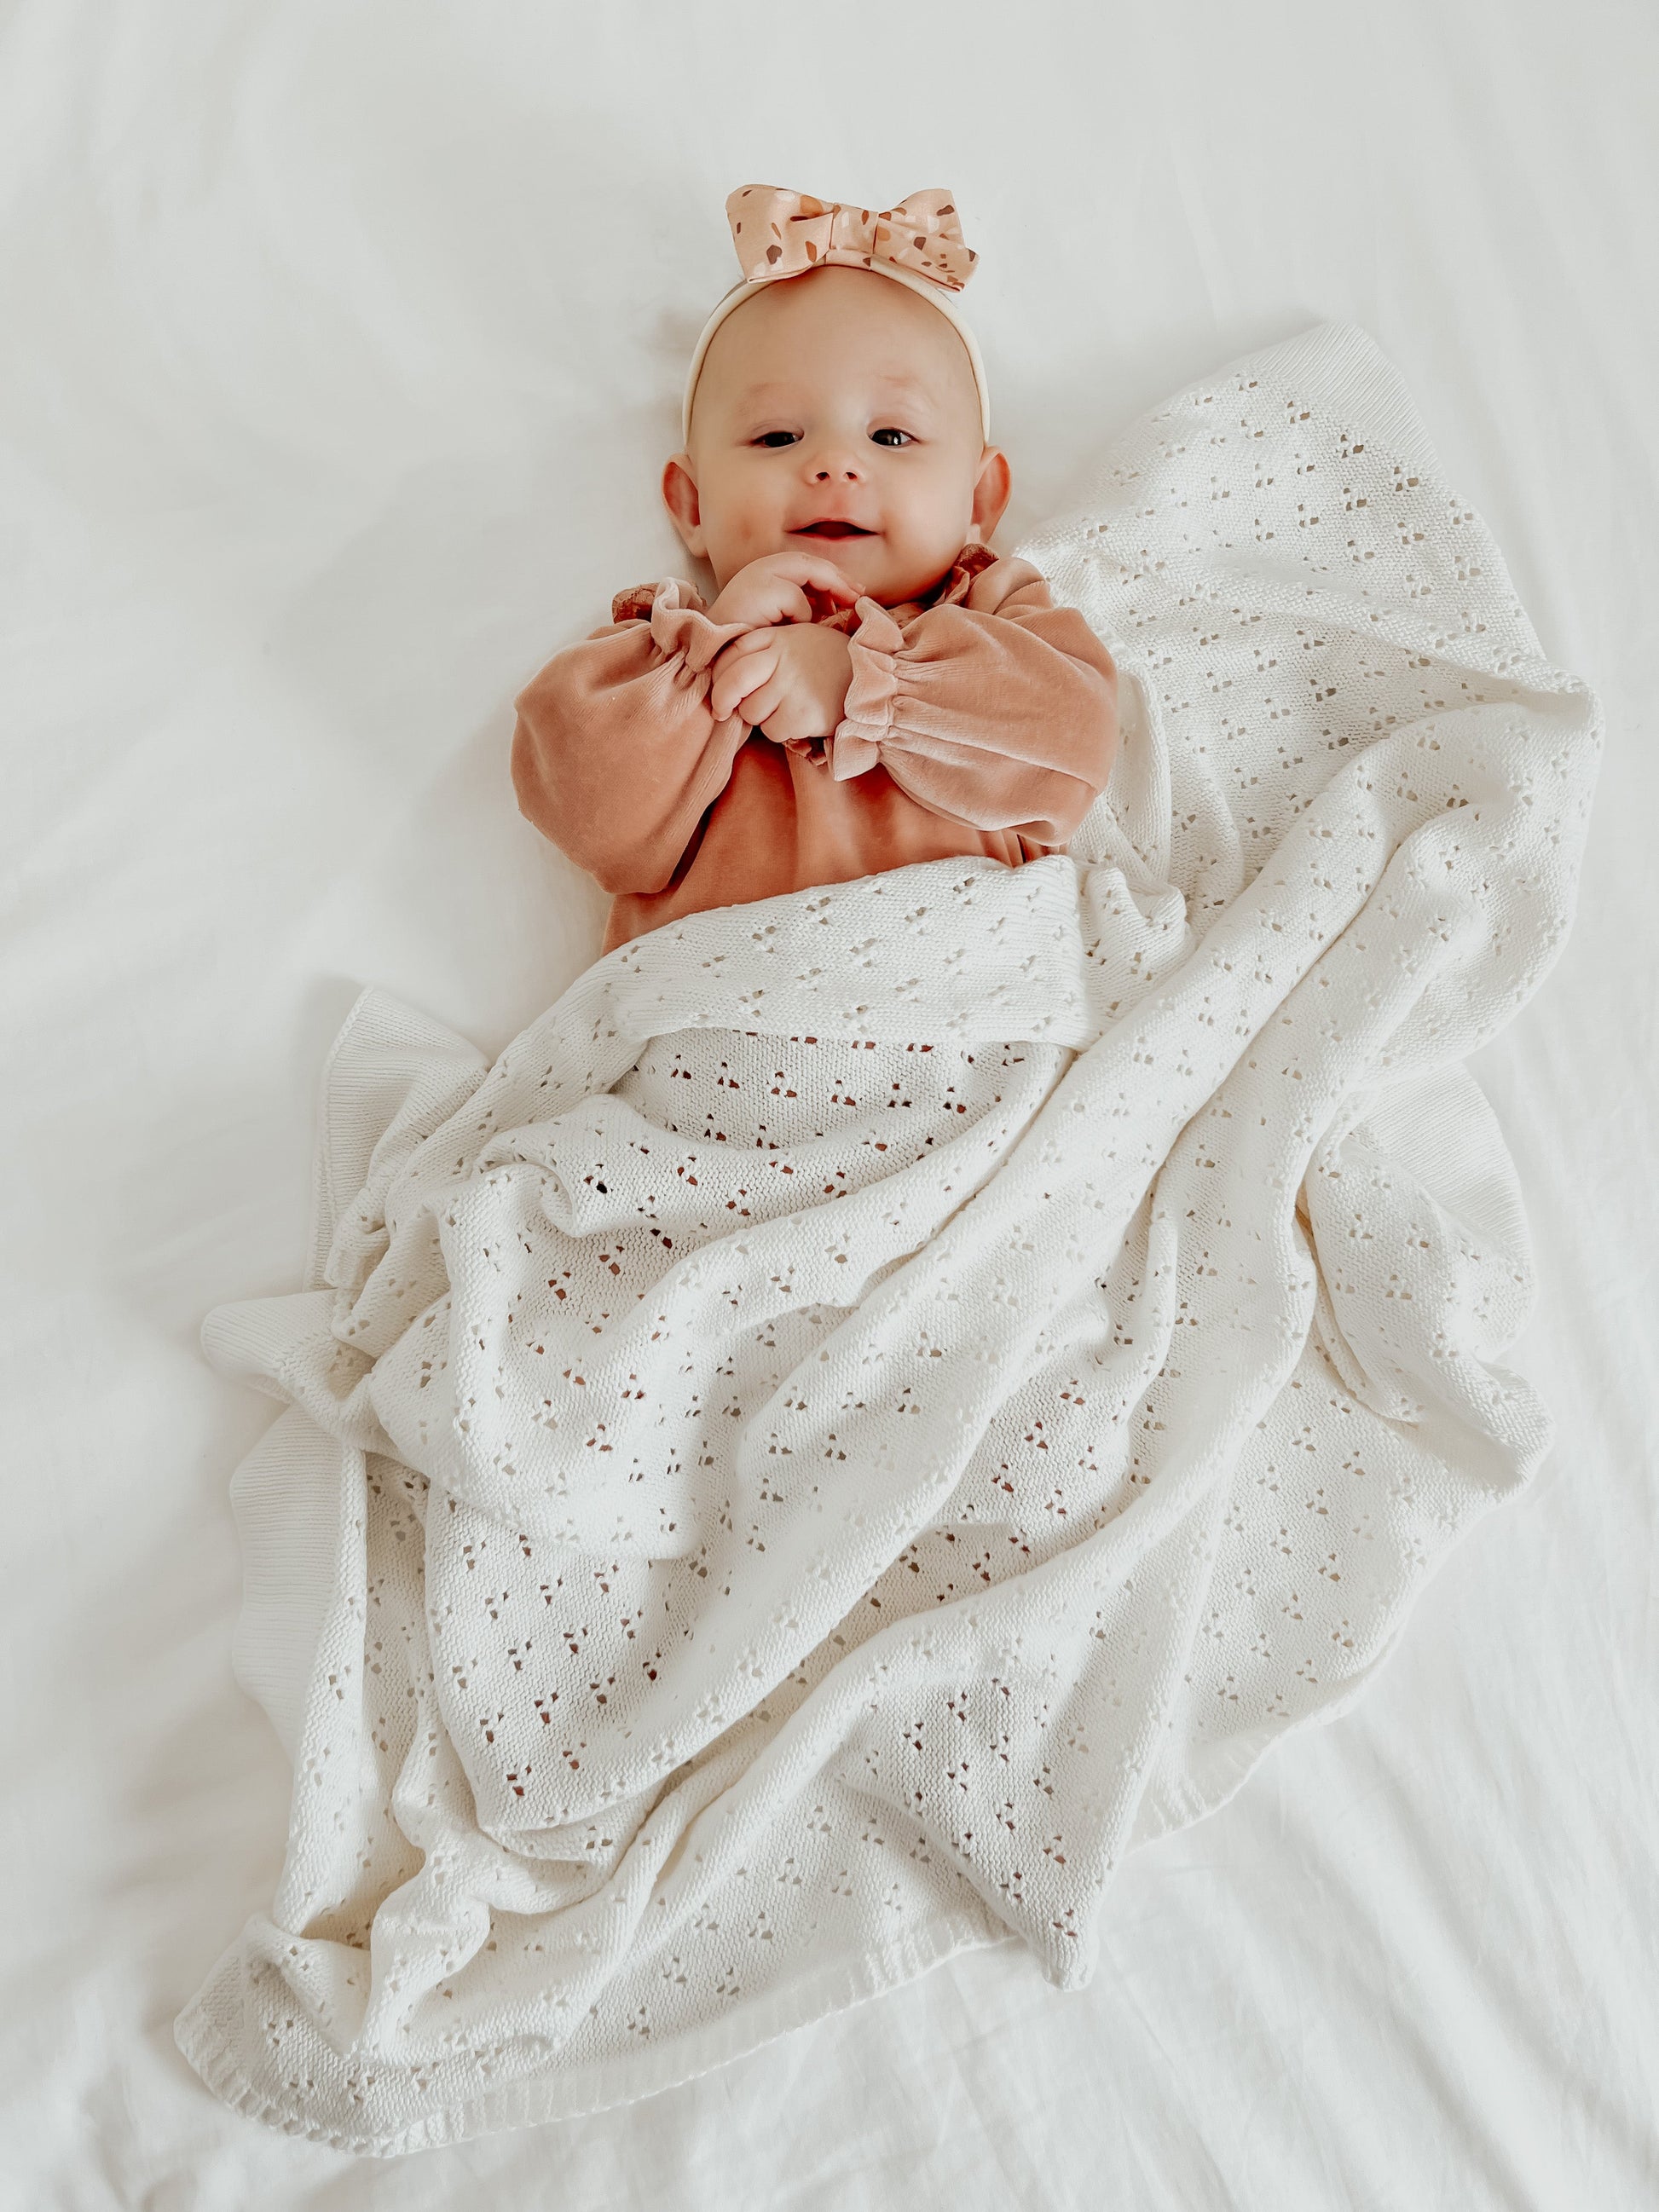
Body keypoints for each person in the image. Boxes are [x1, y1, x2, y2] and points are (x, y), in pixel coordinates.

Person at [512, 186, 1120, 955]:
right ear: (693, 505)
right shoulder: (664, 654)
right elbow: (583, 809)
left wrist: (863, 685)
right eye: (777, 437)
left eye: (891, 436)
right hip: (720, 1007)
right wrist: (709, 668)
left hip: (974, 992)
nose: (835, 464)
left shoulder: (993, 614)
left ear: (979, 501)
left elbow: (1076, 744)